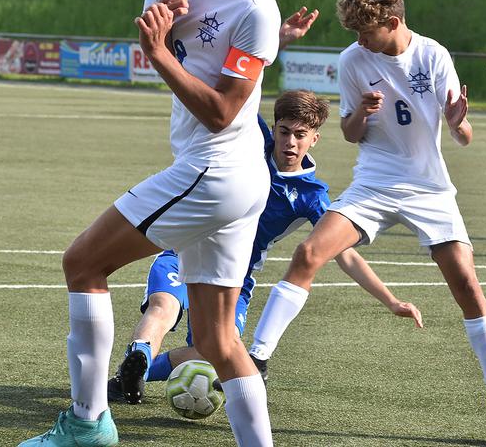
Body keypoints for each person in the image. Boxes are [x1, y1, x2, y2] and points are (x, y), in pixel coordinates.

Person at [19, 0, 281, 445]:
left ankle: (87, 426)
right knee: (215, 341)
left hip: (218, 170)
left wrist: (161, 53)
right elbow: (150, 30)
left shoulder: (257, 9)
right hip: (228, 179)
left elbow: (222, 112)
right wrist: (160, 28)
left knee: (82, 263)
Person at [246, 0, 486, 447]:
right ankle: (259, 362)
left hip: (429, 189)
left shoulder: (433, 56)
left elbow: (463, 135)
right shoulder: (353, 60)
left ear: (393, 22)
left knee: (467, 287)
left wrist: (458, 123)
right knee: (309, 254)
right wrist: (361, 114)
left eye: (366, 32)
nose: (358, 41)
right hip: (374, 182)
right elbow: (352, 135)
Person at [108, 90, 424, 404]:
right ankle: (138, 355)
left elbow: (345, 255)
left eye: (301, 135)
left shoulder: (312, 195)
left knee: (211, 351)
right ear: (273, 129)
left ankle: (133, 374)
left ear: (314, 139)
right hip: (187, 247)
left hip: (235, 275)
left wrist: (392, 300)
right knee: (163, 306)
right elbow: (240, 95)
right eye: (284, 131)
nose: (290, 142)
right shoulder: (254, 139)